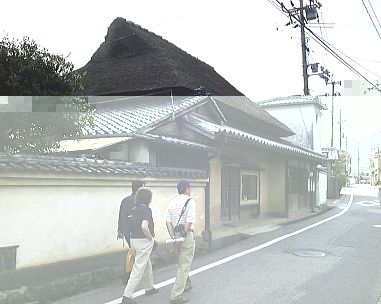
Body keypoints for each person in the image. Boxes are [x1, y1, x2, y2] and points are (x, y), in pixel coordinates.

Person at [121, 187, 158, 304]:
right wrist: (151, 239)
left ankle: (149, 287)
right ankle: (127, 296)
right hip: (143, 241)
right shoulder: (146, 209)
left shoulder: (134, 208)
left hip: (133, 240)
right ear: (148, 198)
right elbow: (144, 226)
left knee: (146, 263)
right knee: (138, 269)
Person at [165, 180, 196, 304]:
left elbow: (168, 221)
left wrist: (174, 237)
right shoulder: (190, 201)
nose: (190, 190)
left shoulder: (172, 202)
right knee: (184, 264)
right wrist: (183, 235)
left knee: (182, 261)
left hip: (176, 235)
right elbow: (189, 221)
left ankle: (186, 284)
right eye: (190, 188)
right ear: (187, 189)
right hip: (186, 235)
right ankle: (176, 295)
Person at [117, 180, 145, 284]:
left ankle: (132, 274)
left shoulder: (125, 200)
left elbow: (121, 216)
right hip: (137, 231)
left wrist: (120, 229)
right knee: (135, 253)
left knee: (133, 252)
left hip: (126, 230)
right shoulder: (139, 201)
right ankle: (128, 275)